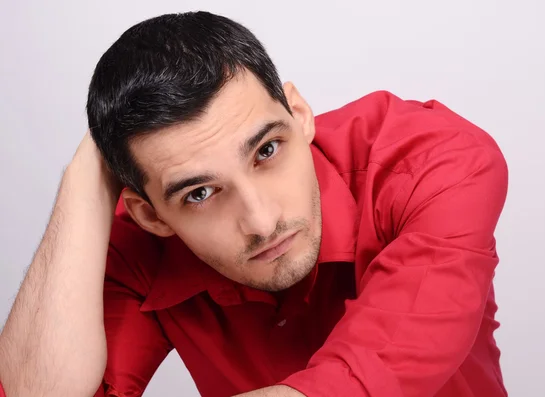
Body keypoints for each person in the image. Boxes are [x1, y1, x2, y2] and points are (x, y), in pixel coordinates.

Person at [0, 10, 509, 397]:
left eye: (266, 150)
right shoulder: (137, 243)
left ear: (300, 114)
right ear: (150, 214)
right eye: (199, 193)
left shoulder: (432, 162)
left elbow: (370, 370)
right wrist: (86, 178)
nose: (263, 222)